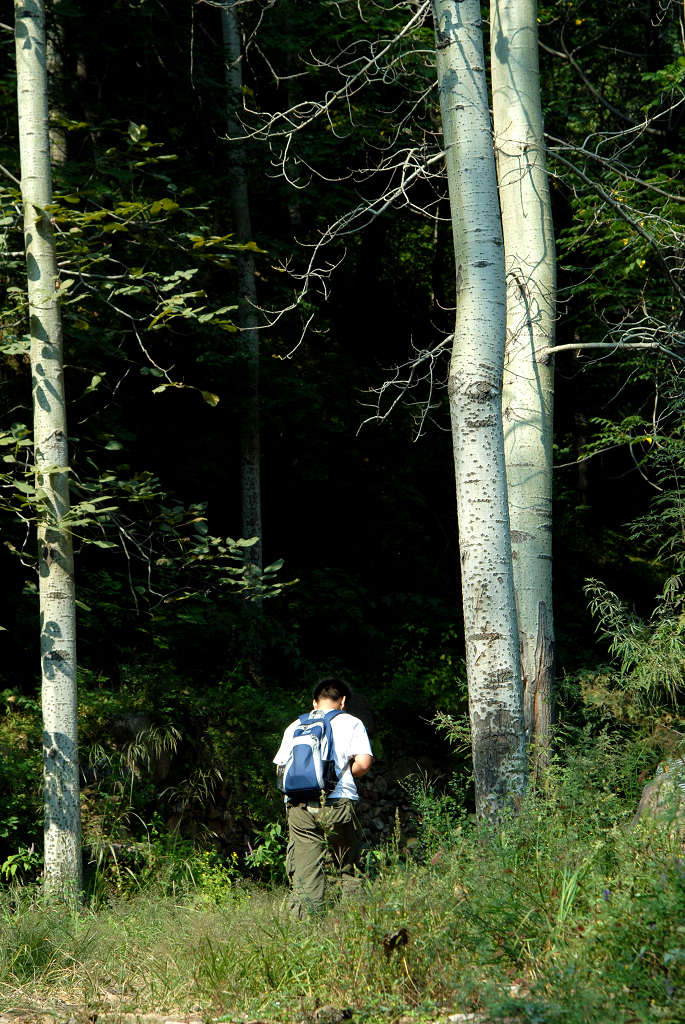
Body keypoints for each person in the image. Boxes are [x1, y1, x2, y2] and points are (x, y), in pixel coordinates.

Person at [273, 676, 373, 918]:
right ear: (343, 701)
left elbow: (279, 769)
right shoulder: (352, 723)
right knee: (346, 866)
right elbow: (363, 763)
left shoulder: (295, 725)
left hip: (299, 806)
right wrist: (345, 774)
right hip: (337, 803)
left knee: (306, 872)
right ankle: (354, 924)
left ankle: (307, 927)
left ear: (315, 702)